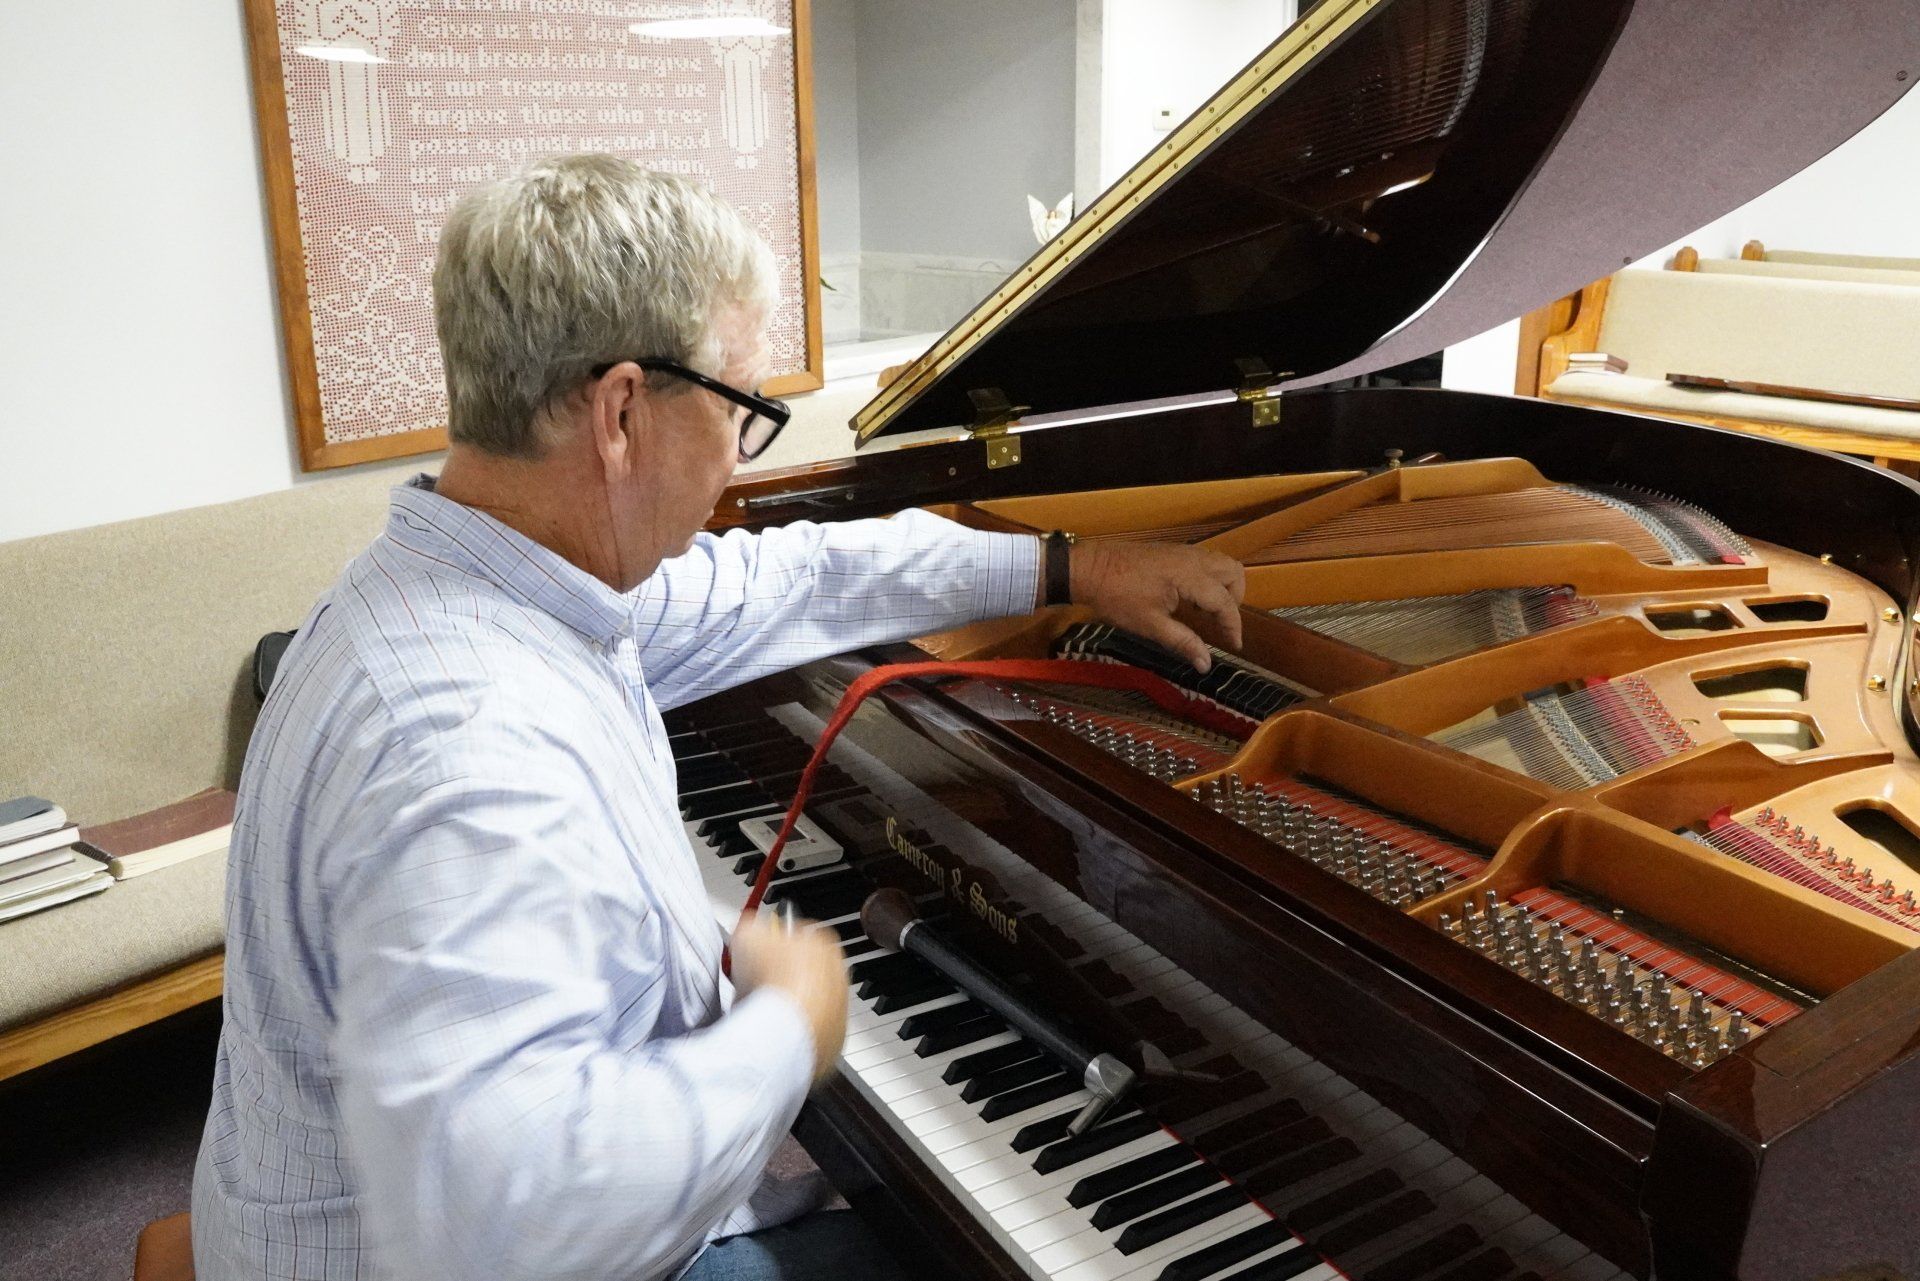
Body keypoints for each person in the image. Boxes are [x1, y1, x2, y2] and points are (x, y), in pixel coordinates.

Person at [191, 153, 1246, 1281]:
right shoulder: (465, 746)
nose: (743, 461)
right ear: (622, 413)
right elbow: (523, 1225)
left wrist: (1066, 566)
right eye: (743, 411)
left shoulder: (487, 586)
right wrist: (790, 1022)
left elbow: (796, 580)